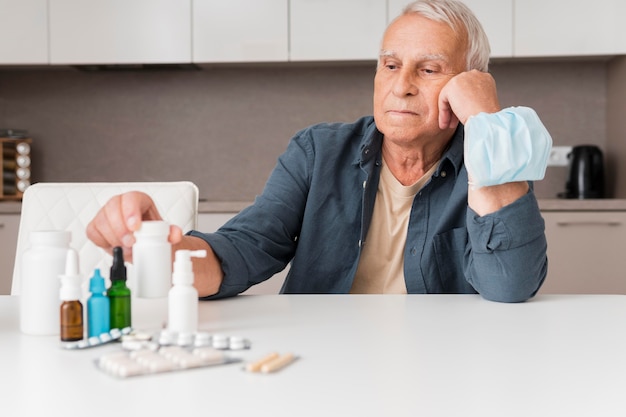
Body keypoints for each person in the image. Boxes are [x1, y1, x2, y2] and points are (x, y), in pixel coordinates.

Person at [87, 0, 551, 303]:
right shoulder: (318, 151)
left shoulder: (490, 157)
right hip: (322, 358)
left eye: (428, 69)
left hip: (442, 364)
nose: (401, 87)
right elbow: (245, 248)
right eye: (390, 66)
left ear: (466, 84)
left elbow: (509, 285)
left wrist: (489, 126)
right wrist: (169, 252)